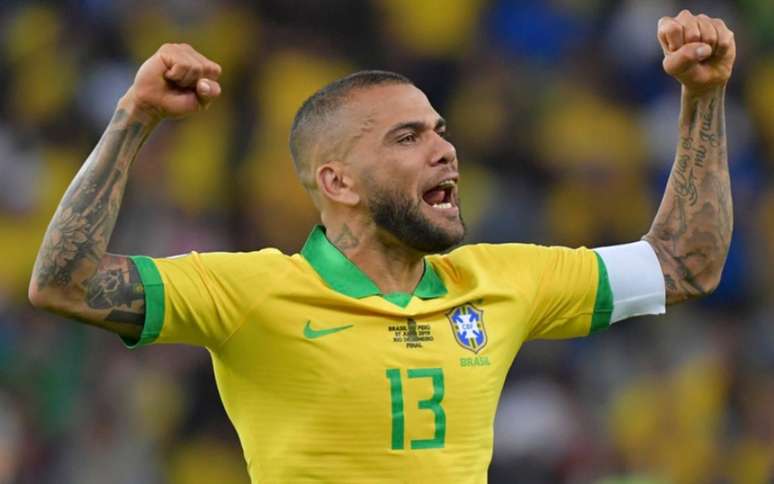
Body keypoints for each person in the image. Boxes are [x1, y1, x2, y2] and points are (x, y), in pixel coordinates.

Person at [28, 10, 734, 483]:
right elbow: (64, 283)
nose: (445, 151)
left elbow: (683, 264)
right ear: (338, 181)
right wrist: (134, 117)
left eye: (440, 130)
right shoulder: (249, 293)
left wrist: (703, 97)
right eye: (408, 137)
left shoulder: (502, 279)